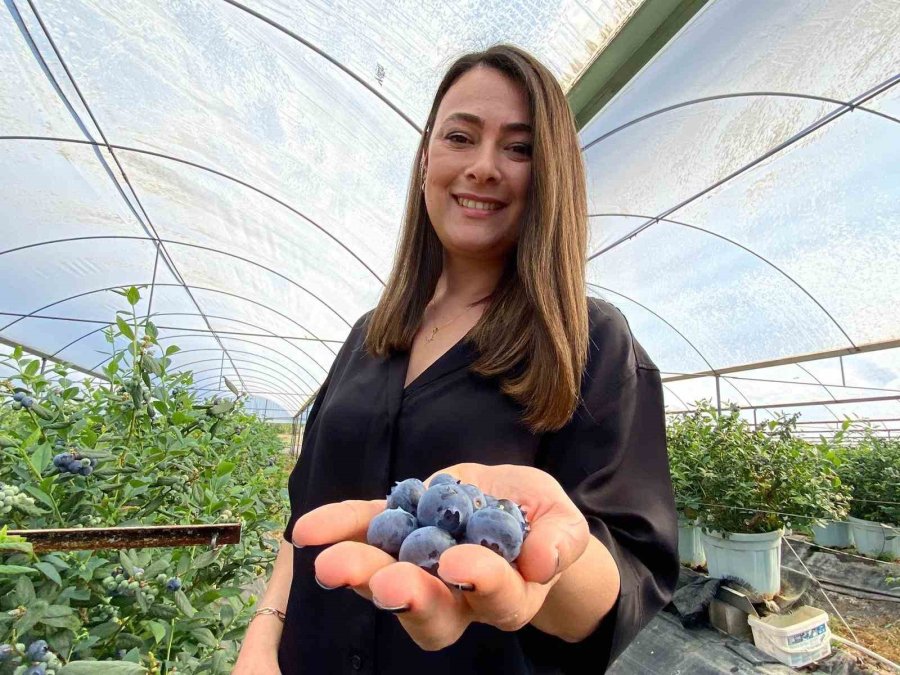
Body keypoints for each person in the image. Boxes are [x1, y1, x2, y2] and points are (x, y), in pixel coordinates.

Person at [233, 43, 678, 675]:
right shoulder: (368, 337)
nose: (483, 167)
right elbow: (307, 513)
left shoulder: (591, 343)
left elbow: (625, 583)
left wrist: (547, 559)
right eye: (460, 137)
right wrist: (262, 637)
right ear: (425, 163)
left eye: (519, 148)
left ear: (551, 174)